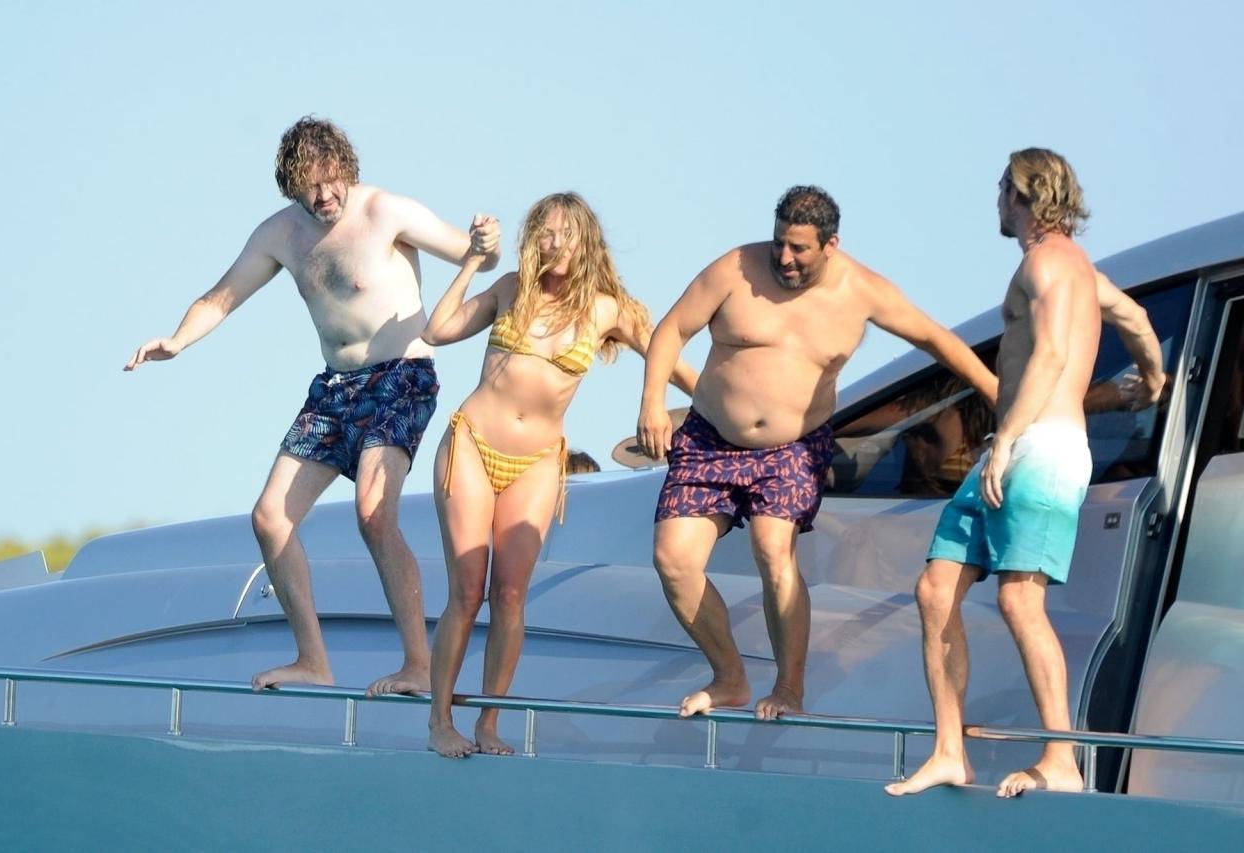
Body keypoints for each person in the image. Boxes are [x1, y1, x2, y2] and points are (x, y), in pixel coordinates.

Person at [124, 117, 500, 695]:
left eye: (332, 183)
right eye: (310, 188)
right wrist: (176, 339)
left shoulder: (386, 212)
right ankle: (313, 660)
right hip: (334, 390)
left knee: (374, 514)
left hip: (401, 376)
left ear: (347, 171)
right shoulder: (279, 234)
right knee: (269, 518)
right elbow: (221, 296)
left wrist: (483, 245)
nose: (324, 197)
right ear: (291, 187)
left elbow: (474, 255)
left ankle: (418, 666)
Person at [636, 185, 998, 721]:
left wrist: (996, 394)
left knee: (772, 547)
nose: (784, 257)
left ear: (831, 245)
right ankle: (729, 676)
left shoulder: (862, 290)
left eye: (799, 249)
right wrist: (650, 401)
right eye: (780, 242)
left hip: (791, 446)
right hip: (709, 437)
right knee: (673, 559)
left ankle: (788, 687)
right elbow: (672, 330)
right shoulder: (734, 268)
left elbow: (935, 339)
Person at [885, 148, 1164, 798]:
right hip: (1017, 448)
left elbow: (1052, 353)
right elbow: (1140, 324)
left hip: (1038, 448)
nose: (996, 201)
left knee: (1018, 597)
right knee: (935, 589)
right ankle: (950, 750)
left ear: (1022, 195)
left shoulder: (1043, 262)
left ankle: (1061, 758)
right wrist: (1148, 382)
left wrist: (1006, 439)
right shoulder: (1081, 270)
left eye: (1001, 189)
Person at [420, 192, 698, 758]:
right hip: (472, 442)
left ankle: (490, 723)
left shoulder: (607, 309)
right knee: (468, 591)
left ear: (586, 240)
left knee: (512, 593)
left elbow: (666, 353)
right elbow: (437, 330)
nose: (554, 244)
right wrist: (473, 259)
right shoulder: (512, 291)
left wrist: (715, 407)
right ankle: (439, 721)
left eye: (566, 234)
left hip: (539, 459)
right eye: (544, 233)